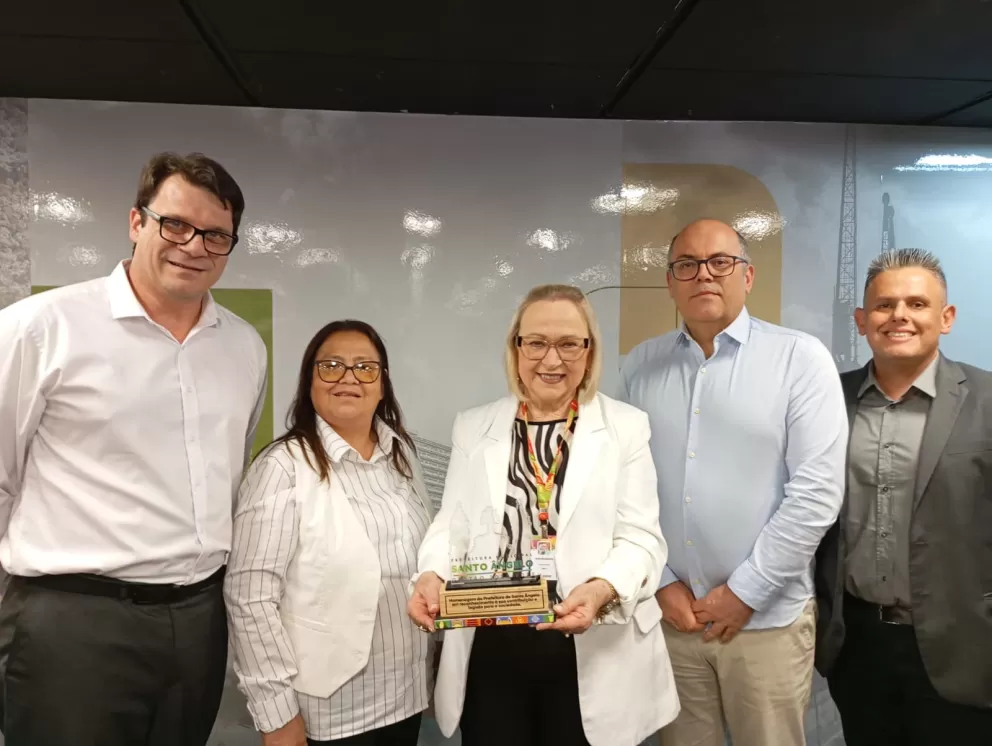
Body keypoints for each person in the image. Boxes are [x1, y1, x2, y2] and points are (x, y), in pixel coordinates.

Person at [0, 152, 267, 745]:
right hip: (74, 622)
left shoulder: (244, 346)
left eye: (216, 235)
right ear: (136, 222)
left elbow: (230, 473)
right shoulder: (40, 328)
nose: (194, 246)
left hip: (199, 620)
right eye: (176, 224)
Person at [408, 284, 679, 746]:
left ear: (589, 352)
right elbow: (451, 525)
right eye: (536, 343)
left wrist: (602, 589)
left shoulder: (626, 427)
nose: (551, 360)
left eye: (569, 343)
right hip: (494, 644)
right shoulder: (474, 426)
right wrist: (430, 574)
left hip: (587, 640)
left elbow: (641, 539)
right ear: (516, 348)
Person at [620, 218, 847, 746]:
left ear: (748, 275)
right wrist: (661, 583)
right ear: (670, 282)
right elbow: (625, 487)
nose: (704, 274)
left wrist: (746, 592)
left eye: (720, 262)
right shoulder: (641, 365)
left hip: (765, 622)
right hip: (673, 620)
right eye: (687, 264)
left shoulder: (799, 359)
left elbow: (816, 494)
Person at [226, 320, 435, 746]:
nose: (348, 378)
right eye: (332, 366)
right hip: (327, 711)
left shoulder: (402, 455)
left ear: (382, 384)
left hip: (407, 696)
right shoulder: (282, 467)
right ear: (310, 381)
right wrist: (276, 715)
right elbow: (250, 598)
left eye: (365, 368)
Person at [815, 248, 992, 745]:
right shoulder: (827, 401)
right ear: (861, 320)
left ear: (946, 317)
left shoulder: (987, 400)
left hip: (965, 647)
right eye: (884, 305)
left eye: (917, 304)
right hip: (858, 646)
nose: (899, 316)